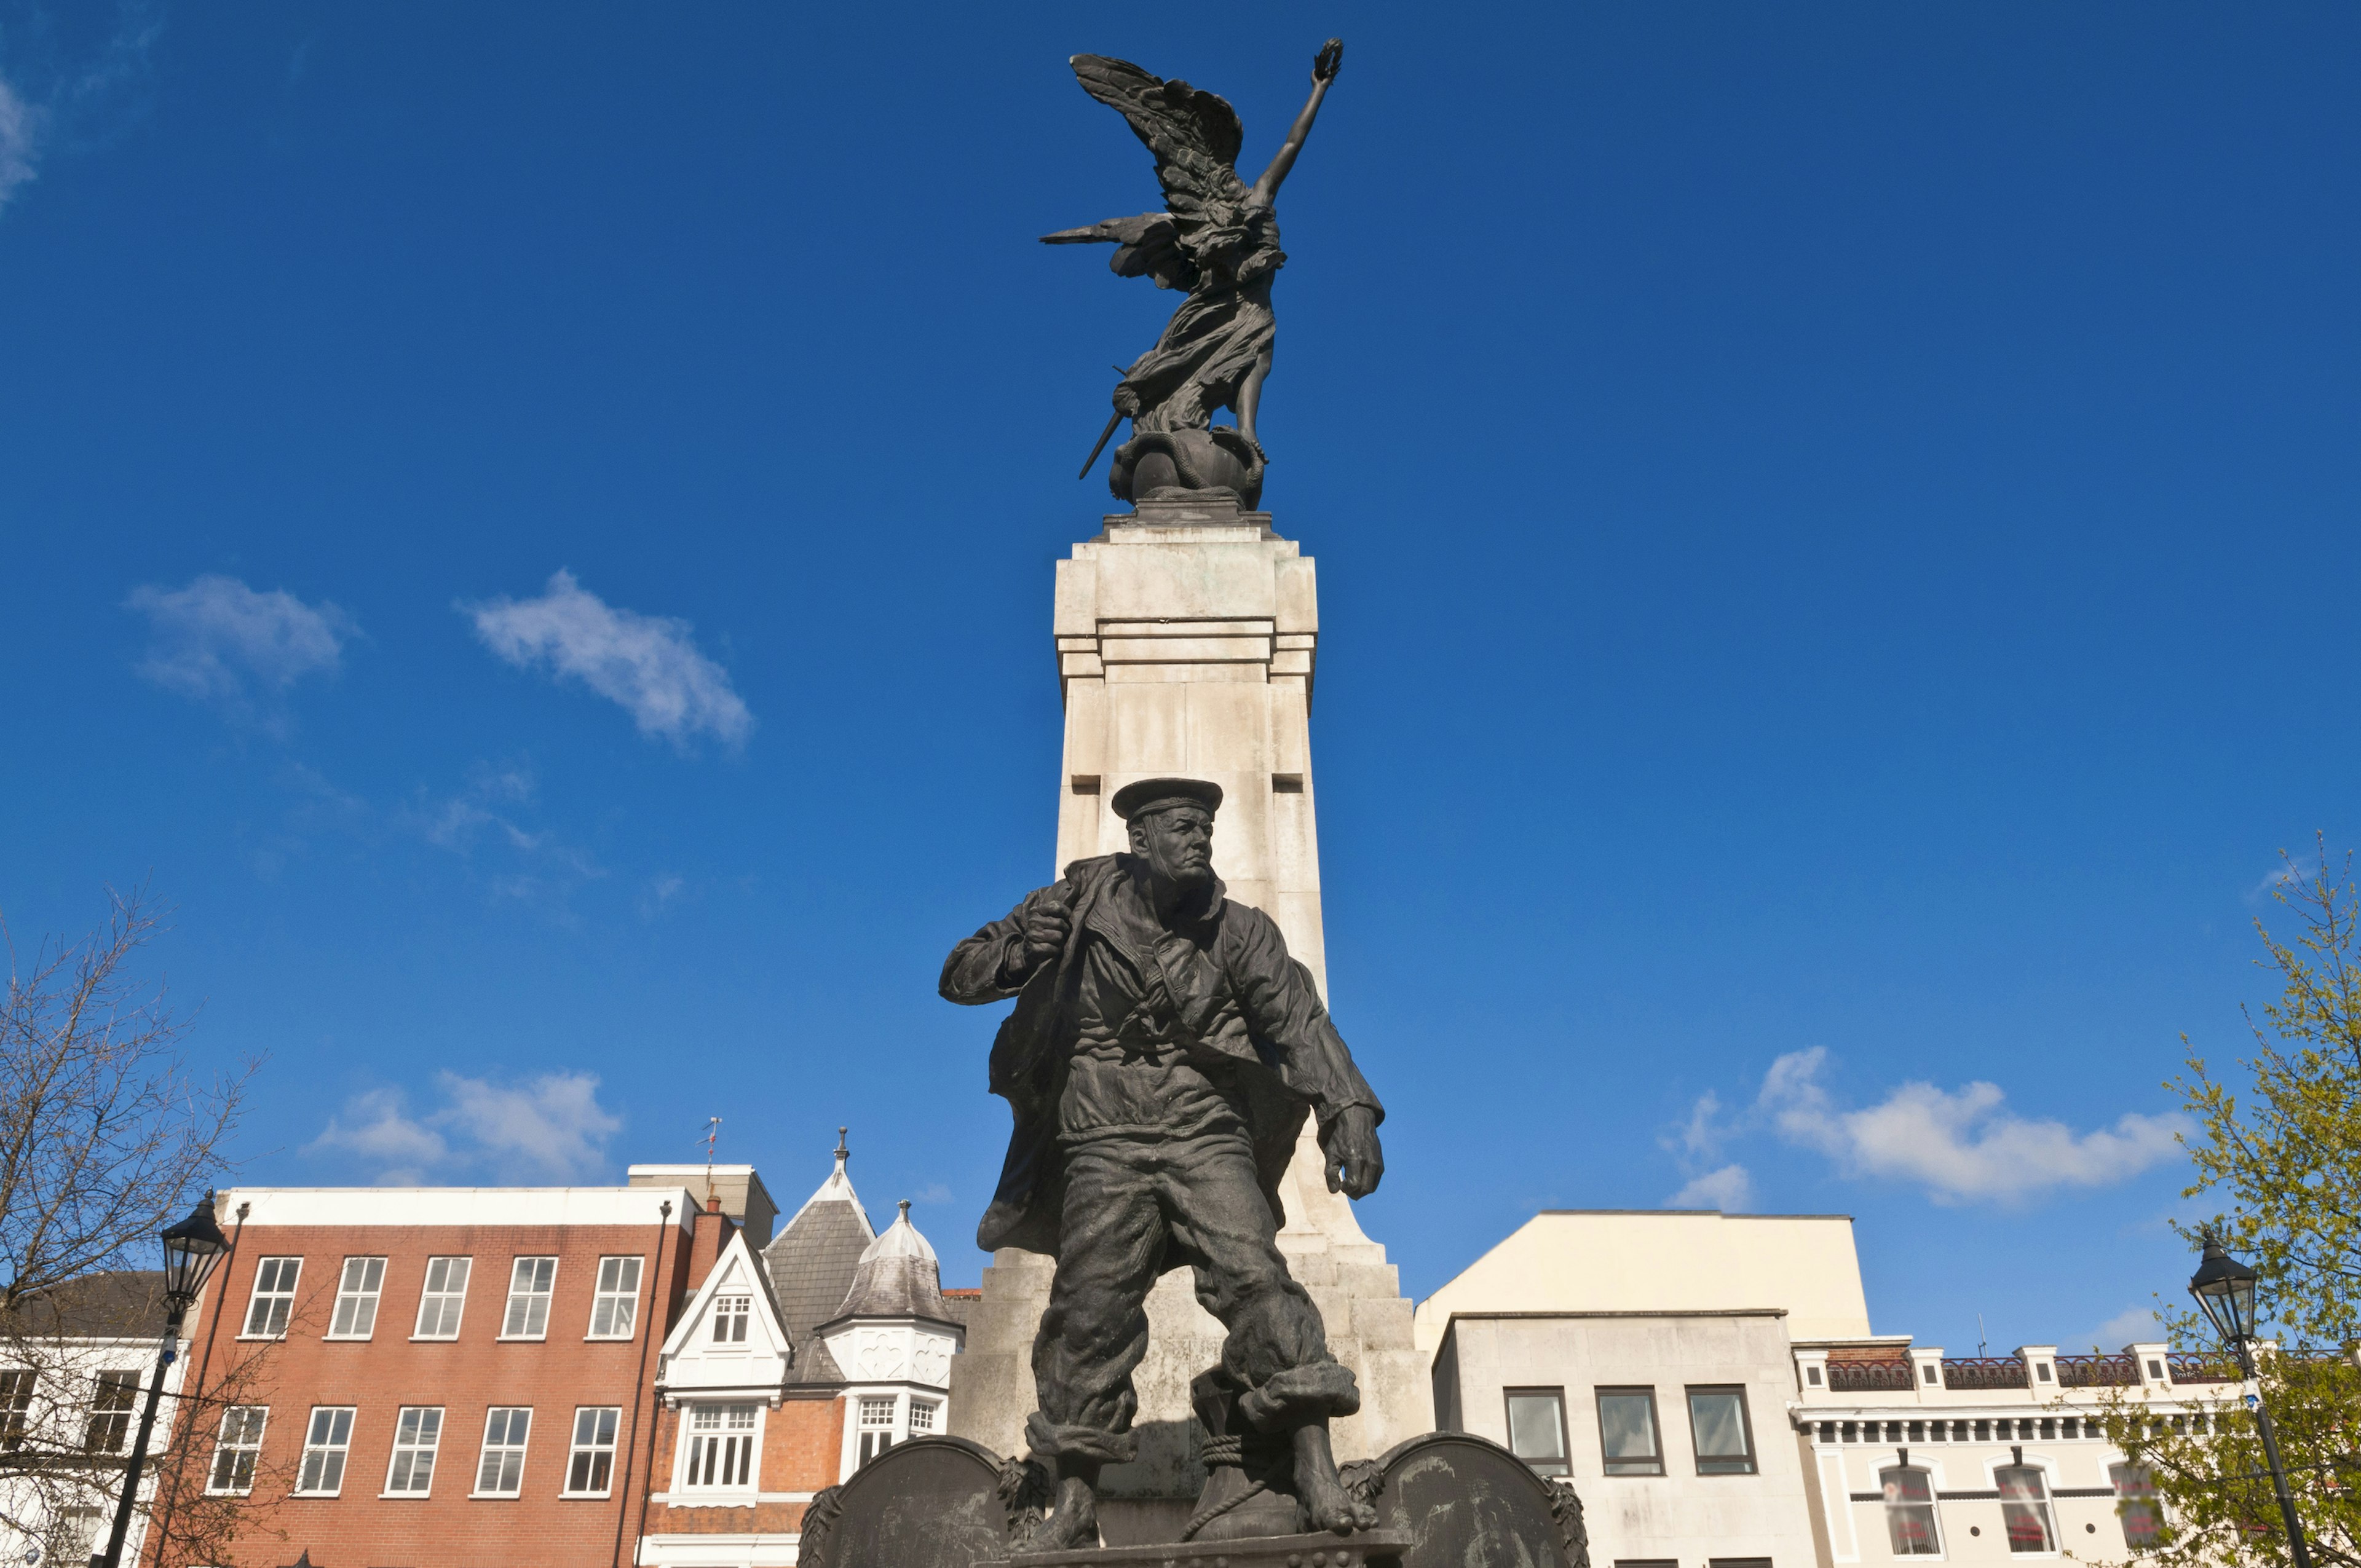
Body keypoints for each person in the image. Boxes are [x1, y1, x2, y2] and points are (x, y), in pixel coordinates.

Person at [940, 776, 1385, 1544]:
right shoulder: (1074, 906)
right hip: (1102, 1136)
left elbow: (1299, 1020)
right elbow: (959, 973)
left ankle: (1314, 1465)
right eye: (1182, 828)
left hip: (1201, 1128)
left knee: (1256, 1277)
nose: (1199, 839)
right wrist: (1020, 951)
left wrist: (1347, 1109)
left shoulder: (1240, 931)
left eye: (1205, 828)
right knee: (1089, 1313)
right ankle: (1075, 1504)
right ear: (1139, 840)